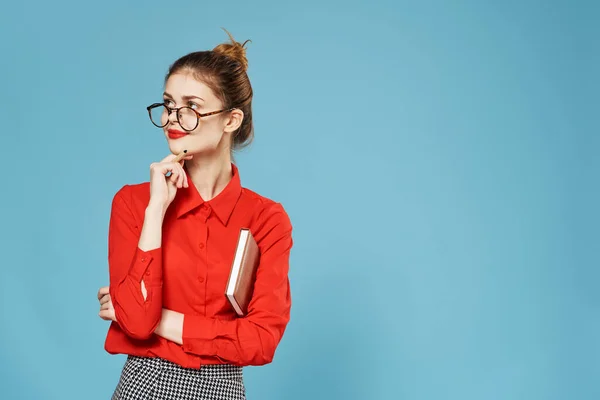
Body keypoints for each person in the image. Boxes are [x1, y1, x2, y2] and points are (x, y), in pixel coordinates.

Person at [96, 29, 293, 400]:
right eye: (169, 104)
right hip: (147, 385)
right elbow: (136, 324)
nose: (173, 117)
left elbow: (261, 341)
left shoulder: (266, 219)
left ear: (231, 120)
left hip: (223, 389)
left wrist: (163, 321)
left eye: (191, 107)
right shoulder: (134, 203)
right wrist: (157, 209)